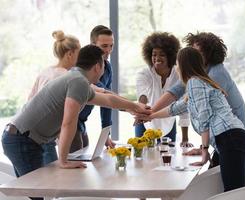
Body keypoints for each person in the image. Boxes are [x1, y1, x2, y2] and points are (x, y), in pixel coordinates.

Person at [2, 45, 150, 199]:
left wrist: (135, 107)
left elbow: (108, 100)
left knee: (36, 193)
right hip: (22, 140)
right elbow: (68, 122)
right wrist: (64, 161)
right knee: (38, 193)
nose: (104, 70)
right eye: (103, 65)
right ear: (98, 66)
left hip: (20, 137)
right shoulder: (78, 82)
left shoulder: (77, 80)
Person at [140, 47, 245, 192]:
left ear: (182, 65)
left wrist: (205, 151)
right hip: (241, 137)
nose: (176, 69)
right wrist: (150, 115)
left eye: (177, 64)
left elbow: (204, 116)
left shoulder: (195, 83)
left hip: (231, 139)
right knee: (239, 194)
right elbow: (175, 108)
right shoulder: (201, 83)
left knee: (234, 195)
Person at [151, 32, 245, 167]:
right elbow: (176, 94)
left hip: (235, 135)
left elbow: (204, 113)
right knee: (223, 184)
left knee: (228, 186)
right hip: (230, 136)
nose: (195, 55)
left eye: (199, 52)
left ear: (209, 54)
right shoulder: (198, 75)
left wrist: (203, 149)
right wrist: (150, 113)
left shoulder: (215, 74)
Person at [28, 30, 80, 166]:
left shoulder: (45, 72)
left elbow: (30, 101)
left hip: (30, 132)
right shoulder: (65, 76)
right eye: (78, 53)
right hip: (43, 137)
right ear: (70, 54)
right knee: (52, 180)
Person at [134, 32, 191, 146]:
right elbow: (142, 95)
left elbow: (183, 106)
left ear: (170, 56)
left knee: (168, 159)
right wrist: (141, 111)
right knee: (143, 160)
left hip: (168, 124)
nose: (157, 58)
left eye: (162, 55)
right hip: (144, 122)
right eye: (154, 54)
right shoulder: (144, 73)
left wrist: (185, 139)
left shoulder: (179, 74)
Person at [70, 25, 115, 153]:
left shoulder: (107, 67)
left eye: (111, 45)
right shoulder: (81, 67)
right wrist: (133, 107)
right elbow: (104, 93)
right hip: (71, 122)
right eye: (104, 46)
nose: (108, 50)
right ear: (92, 45)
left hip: (81, 122)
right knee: (75, 164)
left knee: (86, 159)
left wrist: (106, 133)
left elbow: (106, 104)